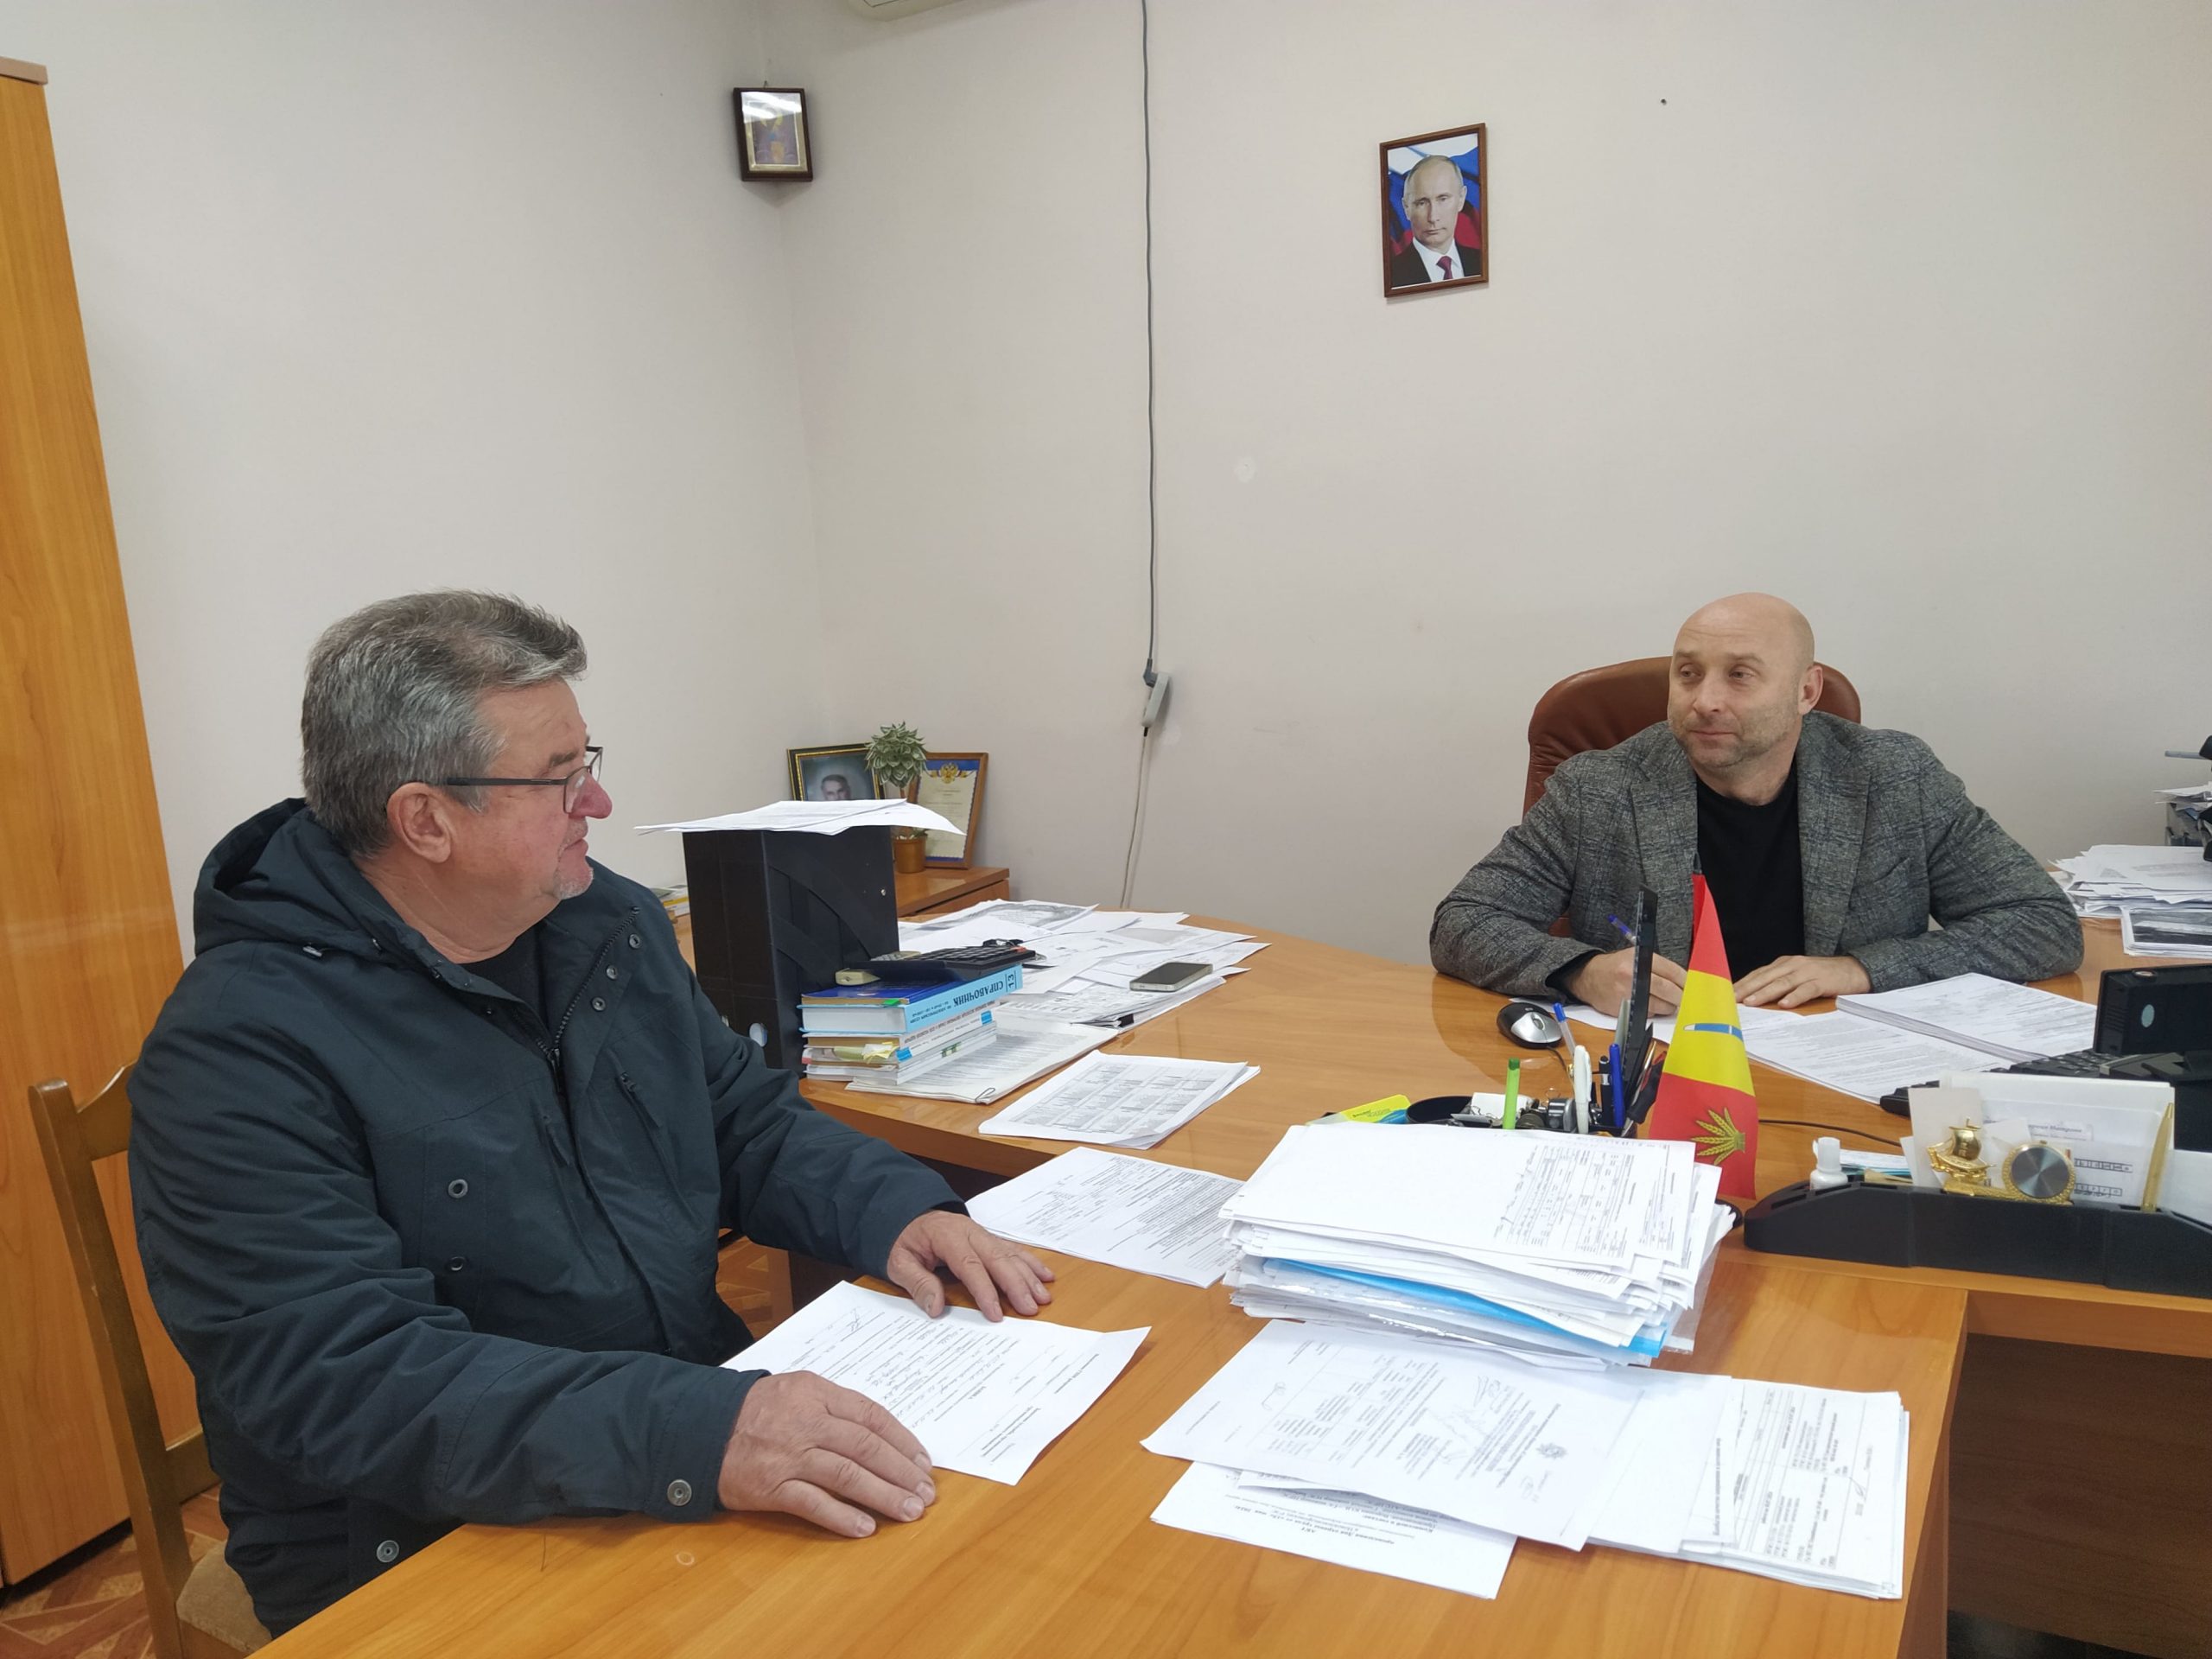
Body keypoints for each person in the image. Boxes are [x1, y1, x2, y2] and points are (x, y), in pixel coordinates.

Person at [130, 592, 1053, 1636]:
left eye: (589, 761)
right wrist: (700, 1432)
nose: (601, 803)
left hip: (660, 1434)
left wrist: (895, 1208)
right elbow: (351, 1382)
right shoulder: (237, 1051)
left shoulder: (603, 920)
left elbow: (742, 1122)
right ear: (425, 820)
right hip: (411, 1536)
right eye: (561, 778)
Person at [1430, 592, 2082, 1012]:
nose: (1705, 700)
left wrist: (1861, 969)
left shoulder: (1895, 777)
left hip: (1838, 1068)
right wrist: (1581, 971)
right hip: (1665, 1079)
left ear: (1806, 691)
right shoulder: (1599, 788)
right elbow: (1465, 922)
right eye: (1688, 674)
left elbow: (2041, 923)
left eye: (1740, 675)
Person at [1387, 154, 1483, 287]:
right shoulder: (1391, 276)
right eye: (1421, 203)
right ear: (1406, 208)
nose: (1432, 217)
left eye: (1443, 199)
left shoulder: (1483, 261)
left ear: (1461, 199)